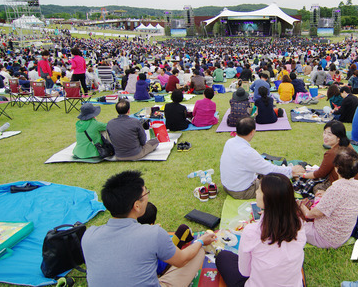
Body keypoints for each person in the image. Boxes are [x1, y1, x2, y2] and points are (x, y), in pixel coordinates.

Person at [81, 170, 216, 287]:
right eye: (146, 194)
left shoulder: (88, 235)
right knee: (197, 252)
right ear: (137, 206)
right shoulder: (153, 234)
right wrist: (201, 241)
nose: (147, 197)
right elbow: (182, 260)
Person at [216, 173, 306, 286]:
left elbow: (245, 272)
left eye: (259, 190)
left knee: (223, 257)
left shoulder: (251, 231)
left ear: (268, 199)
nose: (256, 192)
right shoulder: (299, 224)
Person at [219, 117, 305, 199]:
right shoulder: (248, 153)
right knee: (276, 183)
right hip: (241, 191)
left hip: (227, 186)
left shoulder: (229, 142)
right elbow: (269, 169)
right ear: (252, 132)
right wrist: (291, 170)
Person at [298, 147, 358, 248]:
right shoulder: (357, 184)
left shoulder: (336, 188)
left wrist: (302, 207)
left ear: (336, 168)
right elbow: (342, 199)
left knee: (291, 223)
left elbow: (312, 214)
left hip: (325, 238)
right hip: (343, 236)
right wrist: (325, 194)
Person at [299, 120, 358, 193]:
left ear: (338, 137)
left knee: (316, 187)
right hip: (355, 185)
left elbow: (320, 173)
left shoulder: (332, 153)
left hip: (341, 186)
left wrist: (303, 175)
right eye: (324, 132)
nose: (325, 136)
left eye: (329, 134)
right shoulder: (348, 145)